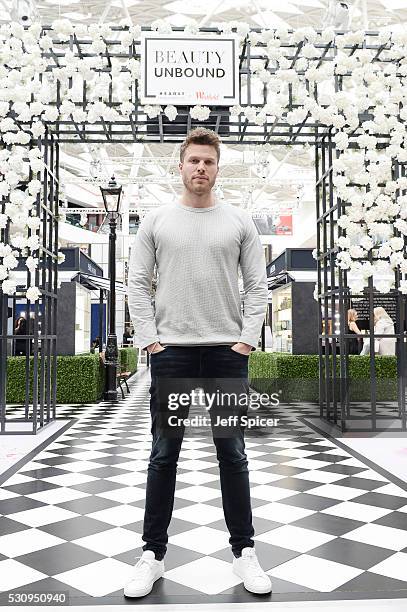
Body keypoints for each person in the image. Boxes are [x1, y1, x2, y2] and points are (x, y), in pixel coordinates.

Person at [126, 127, 270, 597]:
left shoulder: (240, 222)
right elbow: (137, 285)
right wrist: (151, 342)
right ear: (180, 165)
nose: (201, 169)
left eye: (208, 162)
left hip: (228, 356)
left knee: (233, 453)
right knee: (164, 454)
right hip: (172, 356)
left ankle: (244, 553)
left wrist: (246, 342)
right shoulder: (156, 222)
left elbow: (257, 287)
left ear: (217, 166)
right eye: (194, 161)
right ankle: (153, 555)